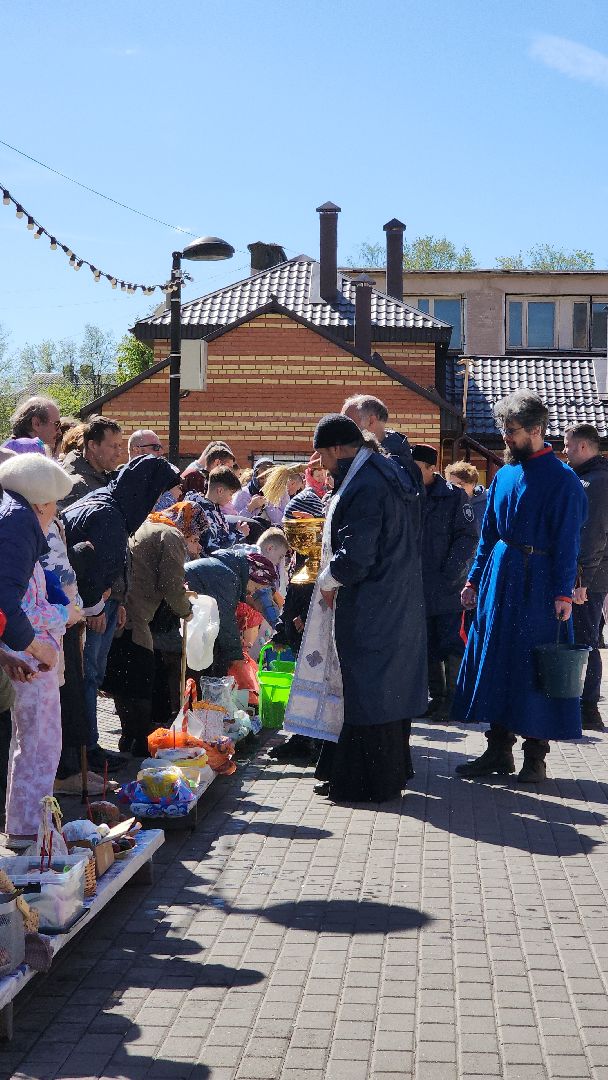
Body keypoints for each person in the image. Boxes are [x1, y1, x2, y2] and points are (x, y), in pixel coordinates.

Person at [287, 413, 427, 804]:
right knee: (380, 687)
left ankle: (368, 783)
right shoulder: (384, 470)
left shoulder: (365, 483)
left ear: (336, 448)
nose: (320, 463)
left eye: (321, 454)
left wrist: (329, 579)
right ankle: (364, 772)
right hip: (393, 596)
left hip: (371, 601)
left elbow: (359, 553)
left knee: (366, 687)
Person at [454, 390, 587, 783]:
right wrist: (473, 579)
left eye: (512, 432)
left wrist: (564, 593)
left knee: (533, 667)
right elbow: (488, 535)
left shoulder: (564, 481)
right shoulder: (504, 475)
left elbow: (568, 544)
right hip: (499, 578)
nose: (506, 439)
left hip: (541, 582)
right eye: (504, 431)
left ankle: (535, 758)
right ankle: (498, 750)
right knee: (496, 660)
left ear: (536, 429)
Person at [62, 455, 182, 770]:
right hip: (91, 607)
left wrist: (121, 599)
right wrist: (97, 606)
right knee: (90, 677)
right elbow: (95, 564)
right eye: (154, 492)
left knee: (93, 676)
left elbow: (114, 560)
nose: (156, 500)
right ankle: (88, 747)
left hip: (104, 603)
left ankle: (88, 745)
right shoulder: (108, 513)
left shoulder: (107, 505)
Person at [0, 452, 74, 849]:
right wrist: (37, 647)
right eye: (54, 507)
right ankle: (29, 830)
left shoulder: (13, 518)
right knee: (38, 743)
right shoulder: (19, 524)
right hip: (31, 654)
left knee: (31, 742)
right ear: (42, 503)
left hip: (20, 651)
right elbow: (7, 601)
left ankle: (26, 824)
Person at [104, 500, 205, 754]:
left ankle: (128, 736)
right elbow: (172, 583)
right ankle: (140, 740)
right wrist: (186, 610)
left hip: (119, 610)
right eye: (196, 535)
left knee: (122, 677)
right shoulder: (170, 535)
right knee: (139, 676)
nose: (197, 542)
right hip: (135, 616)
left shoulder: (148, 523)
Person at [411, 444, 477, 721]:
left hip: (447, 587)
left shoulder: (453, 497)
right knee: (424, 645)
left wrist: (451, 571)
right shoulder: (408, 494)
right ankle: (435, 698)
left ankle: (453, 700)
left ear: (430, 468)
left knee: (450, 643)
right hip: (414, 587)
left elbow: (468, 536)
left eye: (417, 469)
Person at [564, 423, 608, 731]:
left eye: (567, 445)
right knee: (584, 638)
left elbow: (592, 536)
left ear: (582, 446)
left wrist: (582, 582)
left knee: (586, 640)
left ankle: (588, 708)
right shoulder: (589, 479)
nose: (564, 450)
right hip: (590, 575)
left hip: (590, 578)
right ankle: (584, 705)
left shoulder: (597, 483)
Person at [341, 393, 423, 493]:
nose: (343, 427)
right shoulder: (360, 453)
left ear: (371, 421)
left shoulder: (397, 464)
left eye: (348, 421)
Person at [59, 415, 123, 508]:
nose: (119, 453)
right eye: (113, 446)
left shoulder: (102, 477)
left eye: (119, 446)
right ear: (93, 445)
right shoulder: (73, 487)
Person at [186, 466, 248, 553]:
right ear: (220, 491)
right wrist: (240, 534)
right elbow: (214, 550)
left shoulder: (213, 507)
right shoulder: (204, 513)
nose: (231, 499)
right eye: (230, 494)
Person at [444, 460, 487, 535]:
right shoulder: (444, 504)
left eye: (461, 484)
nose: (456, 488)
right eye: (452, 484)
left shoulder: (487, 502)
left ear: (473, 484)